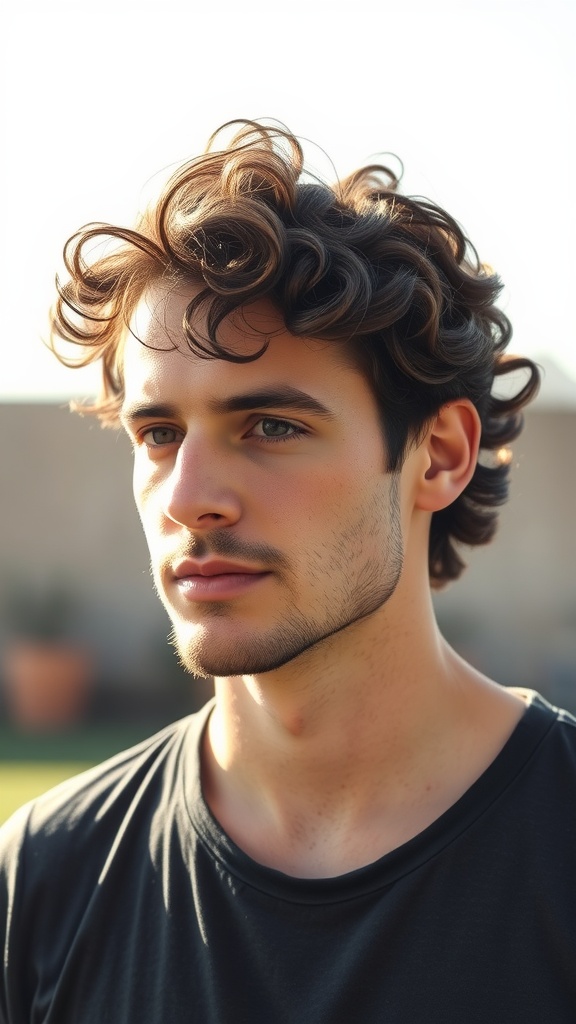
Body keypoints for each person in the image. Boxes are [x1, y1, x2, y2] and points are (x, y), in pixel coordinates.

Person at [1, 119, 574, 1024]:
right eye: (158, 434)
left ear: (440, 456)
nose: (190, 497)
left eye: (271, 426)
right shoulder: (44, 876)